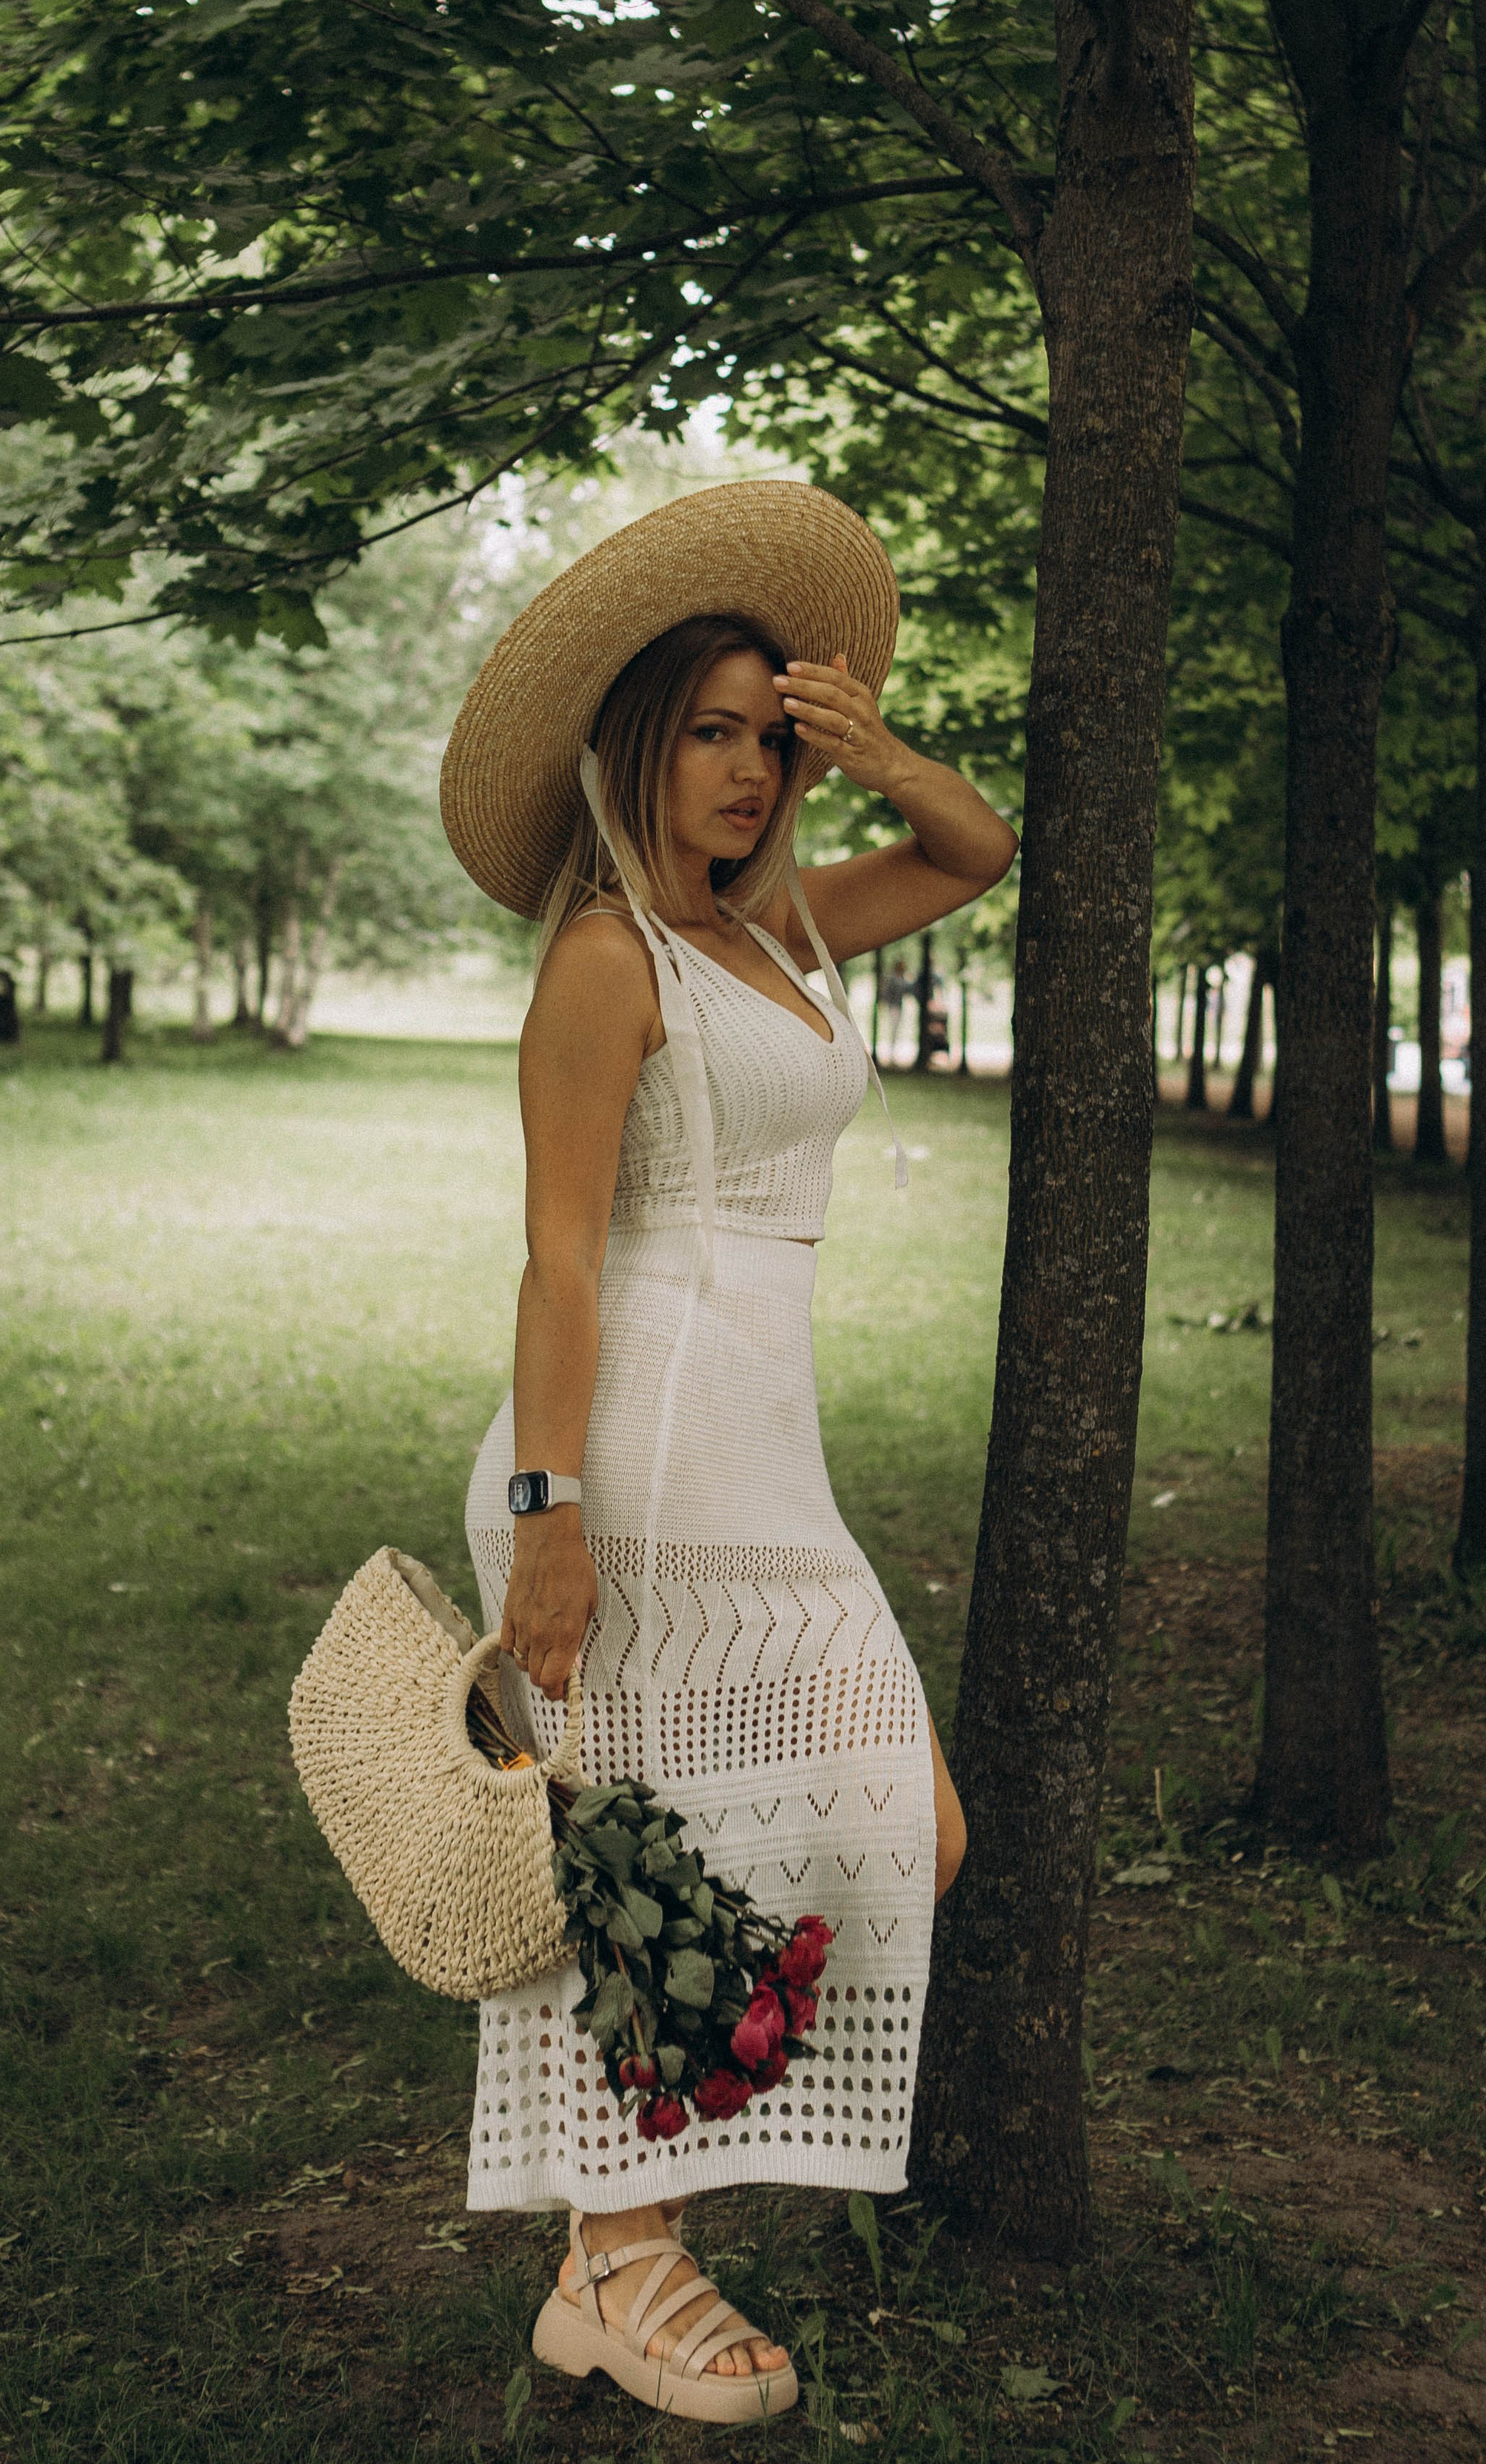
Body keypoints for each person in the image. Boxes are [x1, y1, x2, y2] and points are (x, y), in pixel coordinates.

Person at [438, 482, 1015, 2425]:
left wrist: (879, 747)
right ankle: (623, 2259)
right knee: (647, 1862)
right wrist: (549, 1514)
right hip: (638, 1453)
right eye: (712, 732)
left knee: (893, 1834)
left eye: (774, 739)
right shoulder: (611, 959)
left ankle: (618, 2246)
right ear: (636, 746)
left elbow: (977, 850)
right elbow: (559, 1256)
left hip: (765, 1448)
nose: (752, 772)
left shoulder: (775, 932)